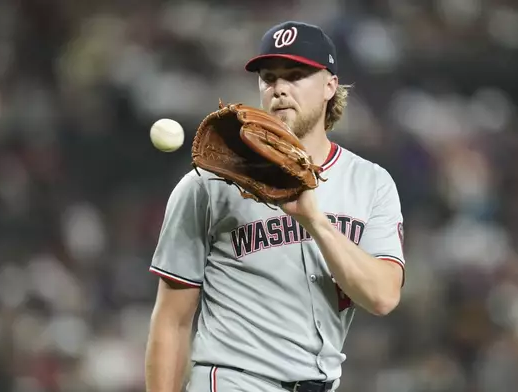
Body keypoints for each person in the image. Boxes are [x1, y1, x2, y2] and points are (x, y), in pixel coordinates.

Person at [145, 21, 406, 392]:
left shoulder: (370, 182)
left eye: (296, 75)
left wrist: (314, 220)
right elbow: (171, 321)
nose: (280, 88)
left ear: (330, 85)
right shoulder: (210, 183)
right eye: (269, 78)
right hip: (233, 381)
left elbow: (382, 297)